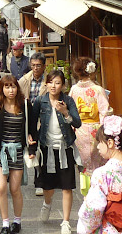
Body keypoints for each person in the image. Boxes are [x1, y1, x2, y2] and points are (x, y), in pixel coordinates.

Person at [30, 69, 82, 234]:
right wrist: (31, 144)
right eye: (51, 82)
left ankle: (65, 222)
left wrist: (65, 112)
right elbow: (32, 124)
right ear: (46, 83)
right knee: (48, 187)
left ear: (63, 85)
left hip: (65, 148)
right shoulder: (40, 101)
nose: (53, 86)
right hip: (46, 149)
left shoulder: (68, 100)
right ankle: (47, 203)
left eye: (57, 82)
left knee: (67, 187)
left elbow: (78, 123)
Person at [0, 75, 33, 234]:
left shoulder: (25, 105)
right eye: (7, 87)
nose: (10, 90)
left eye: (13, 86)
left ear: (17, 88)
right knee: (0, 187)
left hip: (17, 151)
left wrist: (32, 148)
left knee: (15, 189)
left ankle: (17, 221)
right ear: (2, 89)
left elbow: (32, 129)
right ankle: (5, 223)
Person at [69, 57, 110, 178]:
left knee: (84, 164)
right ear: (92, 71)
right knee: (98, 163)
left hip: (79, 129)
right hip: (96, 129)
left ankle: (86, 189)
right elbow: (104, 112)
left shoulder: (74, 89)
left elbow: (71, 111)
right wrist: (104, 131)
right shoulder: (97, 89)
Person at [19, 52, 48, 196]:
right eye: (33, 65)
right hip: (26, 118)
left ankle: (39, 182)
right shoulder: (24, 80)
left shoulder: (49, 81)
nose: (35, 68)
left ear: (44, 66)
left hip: (43, 118)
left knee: (40, 149)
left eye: (38, 65)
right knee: (23, 148)